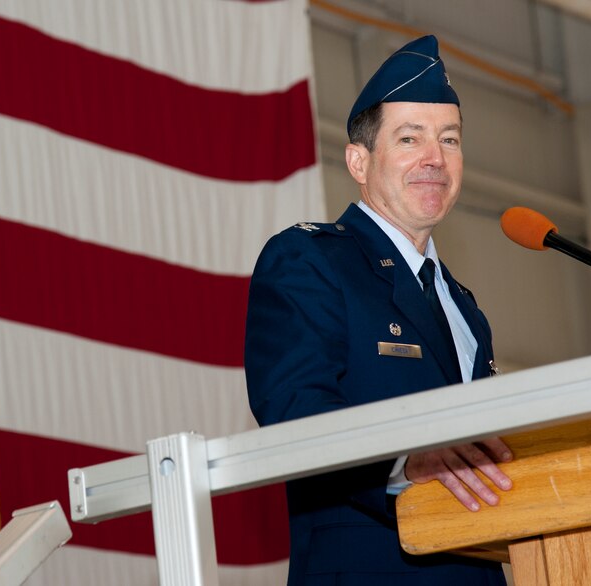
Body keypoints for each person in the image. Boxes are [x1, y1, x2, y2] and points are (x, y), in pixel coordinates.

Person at [244, 35, 513, 585]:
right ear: (359, 162)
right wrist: (404, 465)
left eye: (449, 139)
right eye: (410, 138)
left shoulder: (463, 307)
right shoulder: (311, 260)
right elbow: (294, 412)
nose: (435, 158)